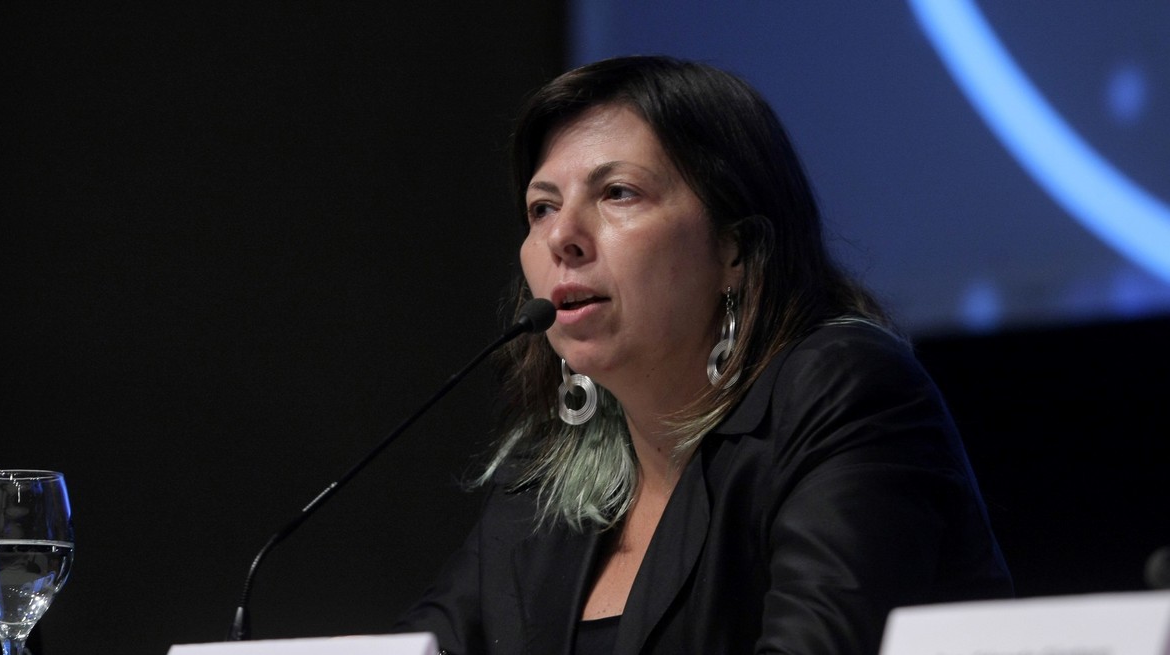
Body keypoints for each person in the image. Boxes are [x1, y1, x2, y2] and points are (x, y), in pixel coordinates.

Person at [394, 55, 1012, 654]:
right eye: (542, 207)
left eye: (618, 193)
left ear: (733, 249)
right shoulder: (543, 478)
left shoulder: (843, 392)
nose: (561, 236)